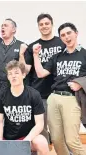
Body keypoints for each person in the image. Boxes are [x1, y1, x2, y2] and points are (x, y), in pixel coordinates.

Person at [32, 22, 86, 155]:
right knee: (56, 140)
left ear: (76, 33)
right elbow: (40, 73)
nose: (66, 37)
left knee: (72, 140)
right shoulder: (58, 56)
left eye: (69, 33)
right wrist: (35, 55)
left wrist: (80, 82)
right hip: (54, 97)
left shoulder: (84, 54)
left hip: (71, 99)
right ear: (61, 38)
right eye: (63, 35)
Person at [19, 13, 66, 145]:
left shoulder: (61, 43)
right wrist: (22, 54)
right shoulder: (33, 46)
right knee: (41, 129)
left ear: (52, 24)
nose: (44, 26)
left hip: (59, 92)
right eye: (41, 24)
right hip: (40, 93)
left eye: (47, 23)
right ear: (38, 27)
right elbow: (26, 70)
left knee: (61, 130)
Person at [0, 60, 48, 155]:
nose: (13, 76)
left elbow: (40, 123)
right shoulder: (1, 95)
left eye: (16, 73)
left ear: (23, 75)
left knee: (42, 142)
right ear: (8, 77)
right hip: (9, 138)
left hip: (28, 137)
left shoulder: (34, 94)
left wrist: (26, 140)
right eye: (10, 74)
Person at [0, 18, 29, 90]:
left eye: (6, 25)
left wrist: (21, 54)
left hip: (15, 89)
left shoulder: (22, 46)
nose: (3, 27)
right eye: (2, 26)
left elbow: (25, 71)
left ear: (14, 29)